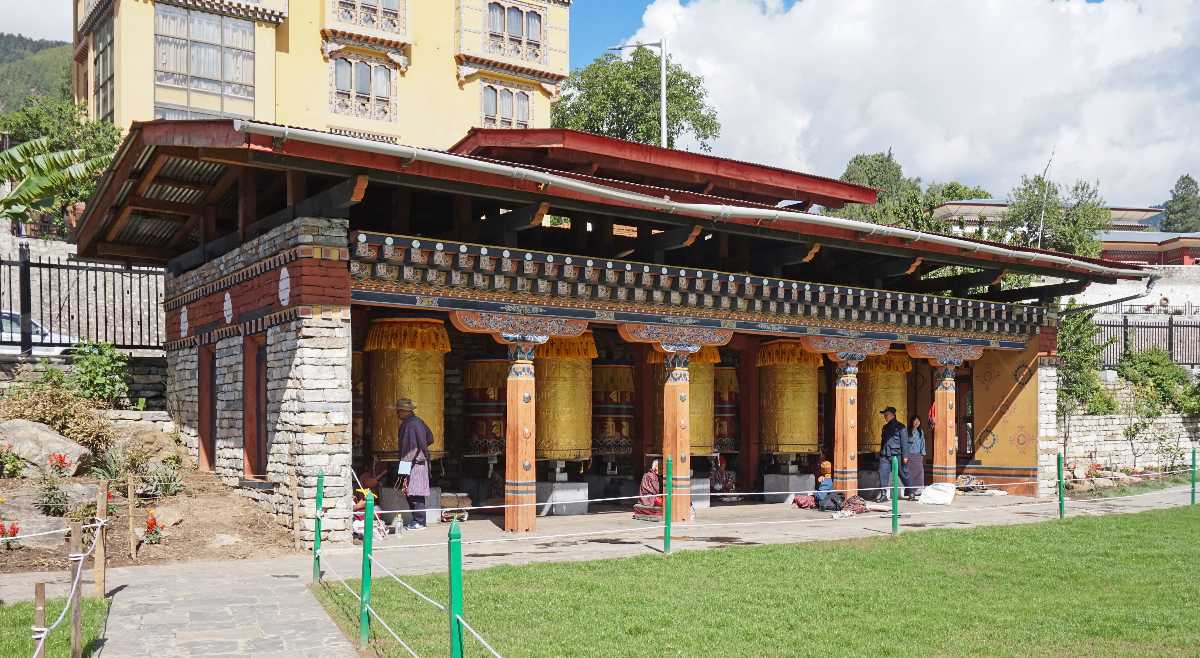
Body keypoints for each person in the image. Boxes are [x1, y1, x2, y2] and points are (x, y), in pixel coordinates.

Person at [394, 398, 435, 531]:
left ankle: (419, 522)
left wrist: (403, 469)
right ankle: (417, 520)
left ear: (405, 411)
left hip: (413, 463)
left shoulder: (409, 425)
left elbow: (409, 449)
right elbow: (430, 438)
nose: (397, 414)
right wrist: (422, 446)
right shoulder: (419, 421)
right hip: (420, 461)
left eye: (399, 411)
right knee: (413, 492)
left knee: (414, 493)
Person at [877, 407, 907, 502]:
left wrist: (905, 456)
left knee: (903, 474)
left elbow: (904, 442)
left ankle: (911, 492)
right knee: (882, 474)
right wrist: (881, 452)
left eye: (886, 415)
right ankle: (883, 494)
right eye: (884, 415)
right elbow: (883, 441)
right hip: (885, 455)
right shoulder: (885, 427)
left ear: (892, 415)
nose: (885, 417)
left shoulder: (901, 427)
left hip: (896, 454)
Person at [904, 415, 927, 500]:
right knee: (910, 474)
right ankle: (910, 491)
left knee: (920, 473)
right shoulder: (907, 431)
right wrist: (905, 455)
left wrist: (922, 454)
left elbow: (922, 443)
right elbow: (904, 444)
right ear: (912, 422)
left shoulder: (920, 431)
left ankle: (918, 491)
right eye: (915, 421)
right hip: (909, 455)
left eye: (918, 421)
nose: (917, 422)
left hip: (918, 456)